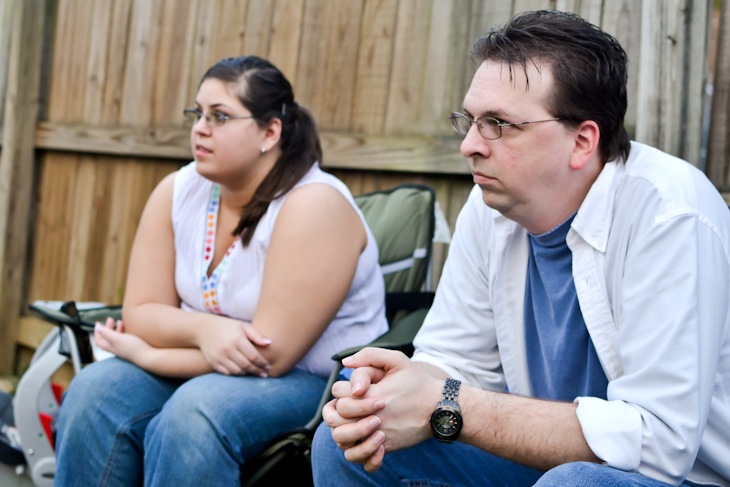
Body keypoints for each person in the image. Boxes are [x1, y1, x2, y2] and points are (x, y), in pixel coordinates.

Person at [312, 9, 730, 487]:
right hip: (543, 461)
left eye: (498, 123)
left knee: (574, 484)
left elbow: (658, 443)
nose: (469, 145)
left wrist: (443, 402)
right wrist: (391, 393)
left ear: (582, 141)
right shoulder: (489, 207)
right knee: (354, 443)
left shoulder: (670, 214)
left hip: (681, 477)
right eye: (470, 121)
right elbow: (454, 360)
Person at [53, 55, 388, 486]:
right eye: (197, 113)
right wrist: (206, 331)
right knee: (94, 391)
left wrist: (147, 354)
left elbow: (268, 356)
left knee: (193, 414)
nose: (200, 128)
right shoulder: (178, 190)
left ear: (270, 132)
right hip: (206, 366)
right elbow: (141, 311)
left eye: (220, 116)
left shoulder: (313, 205)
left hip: (314, 381)